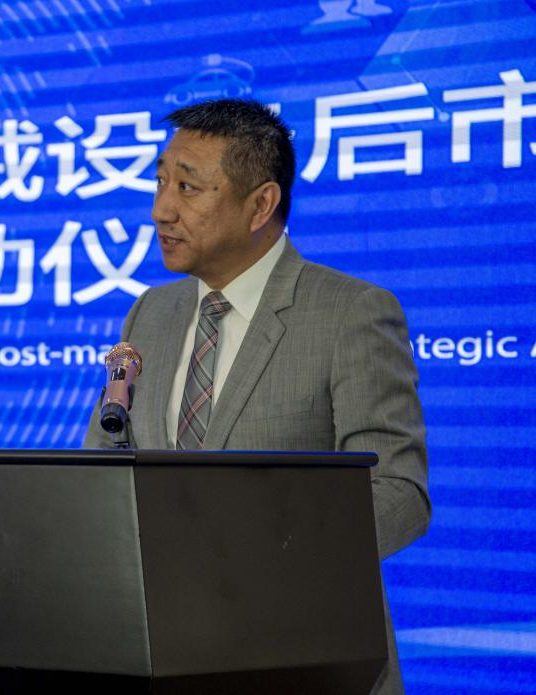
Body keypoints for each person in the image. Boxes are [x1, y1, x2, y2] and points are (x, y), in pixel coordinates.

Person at [83, 99, 430, 695]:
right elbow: (102, 471)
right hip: (163, 655)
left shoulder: (350, 313)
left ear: (261, 205)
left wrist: (261, 561)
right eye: (161, 181)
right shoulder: (149, 315)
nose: (161, 208)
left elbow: (400, 492)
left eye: (188, 187)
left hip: (305, 658)